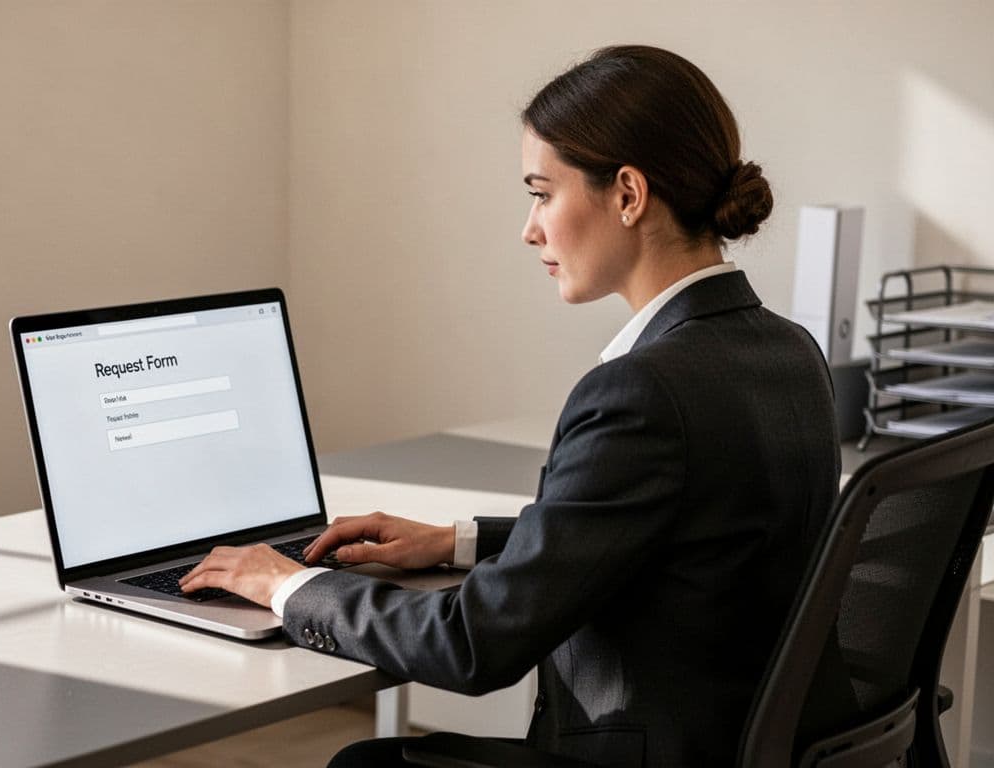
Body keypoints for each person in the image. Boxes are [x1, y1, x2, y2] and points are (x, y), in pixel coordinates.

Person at [180, 45, 856, 766]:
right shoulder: (790, 352)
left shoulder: (642, 392)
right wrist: (459, 542)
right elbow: (677, 534)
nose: (529, 228)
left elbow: (474, 644)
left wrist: (289, 585)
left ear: (628, 195)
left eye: (541, 192)